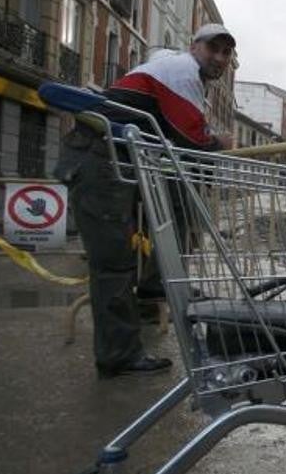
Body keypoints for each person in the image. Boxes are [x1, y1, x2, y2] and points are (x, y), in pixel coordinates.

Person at [55, 24, 235, 378]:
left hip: (109, 162)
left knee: (152, 230)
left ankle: (153, 290)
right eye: (213, 48)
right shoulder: (182, 71)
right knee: (113, 263)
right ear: (193, 46)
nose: (219, 57)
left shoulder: (170, 68)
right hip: (102, 161)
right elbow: (191, 140)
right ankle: (118, 356)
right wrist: (221, 144)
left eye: (227, 52)